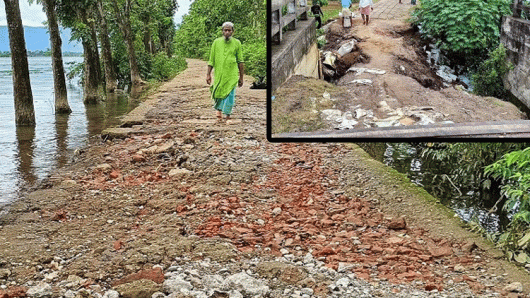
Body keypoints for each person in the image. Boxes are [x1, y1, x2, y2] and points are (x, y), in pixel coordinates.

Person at [206, 22, 244, 123]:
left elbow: (240, 60)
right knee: (218, 91)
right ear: (222, 31)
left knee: (230, 94)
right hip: (219, 73)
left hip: (231, 73)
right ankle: (218, 110)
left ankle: (228, 115)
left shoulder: (237, 43)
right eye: (225, 30)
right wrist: (208, 74)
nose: (227, 32)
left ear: (233, 31)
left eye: (229, 30)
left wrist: (241, 77)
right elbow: (211, 60)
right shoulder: (216, 42)